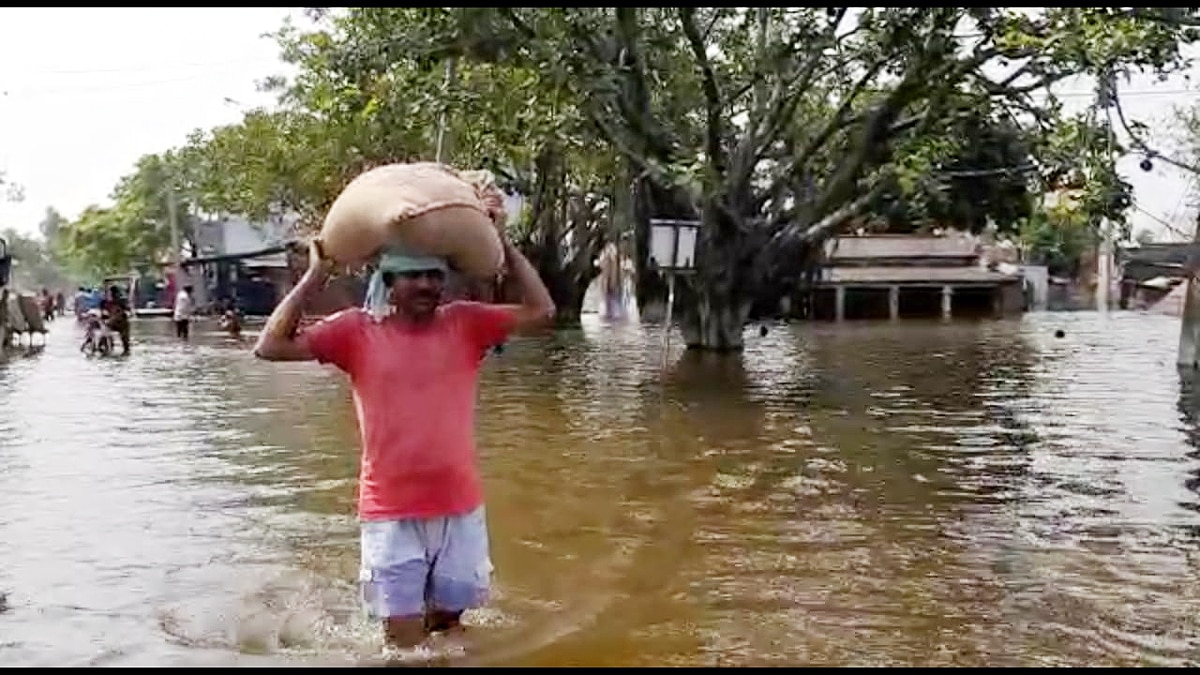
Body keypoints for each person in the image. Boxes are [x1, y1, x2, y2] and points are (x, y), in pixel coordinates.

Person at [253, 237, 554, 649]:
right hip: (390, 511)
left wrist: (500, 243)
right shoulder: (355, 331)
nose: (427, 285)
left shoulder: (467, 322)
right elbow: (270, 347)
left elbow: (542, 312)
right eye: (414, 275)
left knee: (448, 627)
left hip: (459, 507)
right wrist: (315, 275)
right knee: (403, 644)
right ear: (389, 282)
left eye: (435, 275)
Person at [101, 285, 131, 355]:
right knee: (104, 334)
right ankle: (107, 348)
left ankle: (109, 348)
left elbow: (127, 310)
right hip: (112, 323)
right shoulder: (105, 302)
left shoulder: (120, 301)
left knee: (125, 340)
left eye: (111, 293)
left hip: (121, 323)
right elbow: (103, 314)